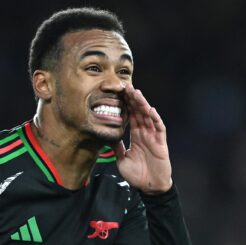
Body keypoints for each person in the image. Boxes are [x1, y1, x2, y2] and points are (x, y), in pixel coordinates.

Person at [0, 7, 191, 244]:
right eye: (94, 68)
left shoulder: (122, 181)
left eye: (123, 71)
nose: (116, 84)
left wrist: (161, 196)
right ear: (43, 84)